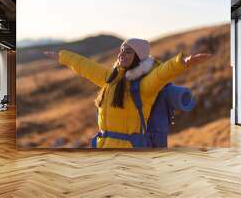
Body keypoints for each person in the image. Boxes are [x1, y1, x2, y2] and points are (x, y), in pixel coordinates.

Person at [44, 38, 210, 148]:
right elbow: (84, 66)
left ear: (138, 57)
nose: (122, 54)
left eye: (129, 51)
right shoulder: (111, 79)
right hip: (103, 147)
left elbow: (161, 74)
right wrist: (62, 56)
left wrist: (182, 62)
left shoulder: (144, 86)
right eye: (122, 50)